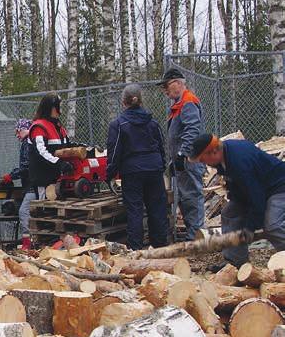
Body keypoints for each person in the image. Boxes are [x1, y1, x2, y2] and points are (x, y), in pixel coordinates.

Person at [189, 133, 285, 268]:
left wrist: (249, 227)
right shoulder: (225, 157)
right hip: (260, 188)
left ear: (214, 152)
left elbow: (256, 198)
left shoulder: (239, 161)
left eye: (203, 160)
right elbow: (239, 188)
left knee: (272, 225)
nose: (204, 164)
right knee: (230, 213)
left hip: (279, 187)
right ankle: (235, 262)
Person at [105, 84, 170, 250]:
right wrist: (161, 166)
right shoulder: (153, 123)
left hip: (132, 171)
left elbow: (114, 152)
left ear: (123, 102)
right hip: (154, 169)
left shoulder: (118, 125)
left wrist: (110, 174)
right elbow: (161, 147)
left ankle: (136, 249)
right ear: (140, 101)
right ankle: (161, 247)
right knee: (157, 208)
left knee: (135, 210)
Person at [159, 68, 205, 241]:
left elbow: (192, 130)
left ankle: (197, 236)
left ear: (178, 83)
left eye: (167, 86)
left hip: (190, 159)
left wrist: (181, 154)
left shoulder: (188, 102)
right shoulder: (179, 104)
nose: (165, 90)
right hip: (183, 159)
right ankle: (193, 234)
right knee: (186, 198)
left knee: (192, 196)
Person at [27, 93, 70, 200]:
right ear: (53, 108)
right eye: (59, 106)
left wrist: (84, 149)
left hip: (58, 178)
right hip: (44, 179)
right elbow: (41, 152)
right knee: (46, 210)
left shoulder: (58, 126)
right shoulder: (39, 127)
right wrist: (59, 163)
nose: (61, 109)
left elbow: (67, 146)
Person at [3, 118, 34, 250]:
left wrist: (12, 175)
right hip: (29, 185)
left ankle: (28, 242)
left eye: (18, 131)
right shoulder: (26, 143)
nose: (16, 135)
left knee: (23, 211)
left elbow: (27, 166)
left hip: (33, 185)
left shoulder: (29, 143)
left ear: (24, 129)